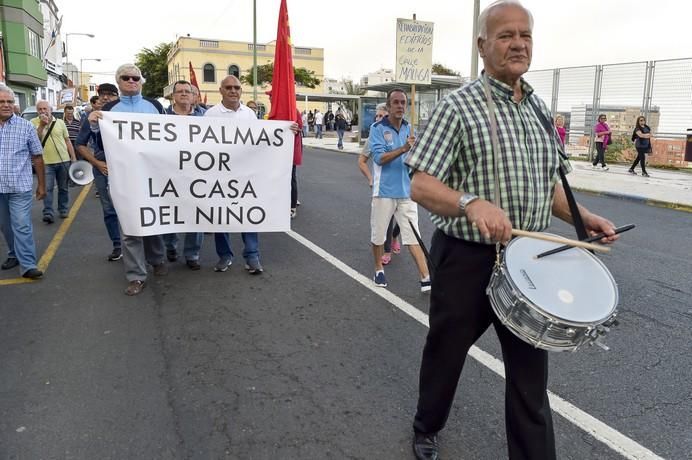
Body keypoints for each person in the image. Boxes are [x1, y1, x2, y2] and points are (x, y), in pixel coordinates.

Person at [404, 2, 619, 459]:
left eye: (525, 35)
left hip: (529, 260)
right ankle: (427, 426)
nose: (518, 43)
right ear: (483, 46)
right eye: (505, 35)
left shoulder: (541, 110)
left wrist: (584, 218)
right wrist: (470, 202)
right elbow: (421, 183)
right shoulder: (458, 107)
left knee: (529, 375)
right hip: (466, 257)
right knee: (446, 351)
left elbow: (550, 187)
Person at [88, 64, 167, 296]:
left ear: (141, 81)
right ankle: (136, 276)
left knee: (153, 221)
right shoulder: (110, 108)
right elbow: (99, 142)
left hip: (152, 175)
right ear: (119, 81)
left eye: (136, 78)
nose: (131, 81)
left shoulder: (154, 106)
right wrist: (94, 123)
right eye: (126, 78)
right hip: (123, 176)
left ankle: (157, 259)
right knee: (129, 226)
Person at [369, 88, 431, 292]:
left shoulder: (410, 129)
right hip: (384, 191)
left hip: (406, 192)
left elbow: (417, 159)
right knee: (379, 236)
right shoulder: (377, 128)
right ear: (388, 106)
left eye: (403, 102)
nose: (400, 106)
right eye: (395, 102)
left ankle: (426, 277)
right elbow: (379, 158)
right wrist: (404, 148)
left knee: (414, 235)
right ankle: (378, 270)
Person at [204, 75, 266, 275]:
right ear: (220, 90)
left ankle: (252, 255)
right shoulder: (210, 115)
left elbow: (259, 142)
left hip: (244, 175)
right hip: (219, 175)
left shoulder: (249, 114)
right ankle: (224, 256)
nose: (233, 91)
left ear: (241, 91)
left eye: (237, 87)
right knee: (221, 216)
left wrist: (287, 131)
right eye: (228, 87)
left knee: (248, 215)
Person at [0, 84, 46, 279]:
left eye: (10, 102)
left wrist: (42, 185)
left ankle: (28, 265)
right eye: (1, 102)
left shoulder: (26, 126)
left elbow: (37, 157)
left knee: (21, 224)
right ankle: (14, 254)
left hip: (20, 186)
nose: (6, 105)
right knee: (5, 225)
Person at [75, 84, 122, 262]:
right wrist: (97, 163)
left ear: (117, 97)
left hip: (125, 168)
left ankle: (137, 242)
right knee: (109, 209)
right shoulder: (91, 119)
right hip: (103, 169)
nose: (105, 97)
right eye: (102, 94)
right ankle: (117, 245)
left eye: (110, 94)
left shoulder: (125, 116)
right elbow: (80, 144)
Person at [163, 80, 205, 269]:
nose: (184, 94)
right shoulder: (161, 118)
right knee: (170, 213)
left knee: (197, 215)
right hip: (169, 174)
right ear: (173, 96)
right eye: (179, 91)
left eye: (187, 91)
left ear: (193, 95)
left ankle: (192, 254)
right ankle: (170, 245)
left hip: (197, 174)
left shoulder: (205, 118)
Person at [357, 103, 401, 265]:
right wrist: (370, 178)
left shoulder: (401, 132)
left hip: (402, 183)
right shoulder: (373, 136)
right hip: (384, 185)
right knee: (387, 218)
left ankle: (395, 236)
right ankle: (387, 250)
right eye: (378, 116)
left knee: (405, 220)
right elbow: (362, 161)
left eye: (383, 116)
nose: (380, 119)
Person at [31, 100, 77, 222]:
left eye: (45, 109)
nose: (42, 111)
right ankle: (48, 212)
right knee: (48, 188)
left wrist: (73, 158)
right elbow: (34, 140)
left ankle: (63, 209)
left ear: (50, 110)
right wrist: (41, 125)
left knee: (63, 188)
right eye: (40, 109)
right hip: (46, 163)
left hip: (63, 160)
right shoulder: (33, 123)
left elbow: (67, 141)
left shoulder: (60, 123)